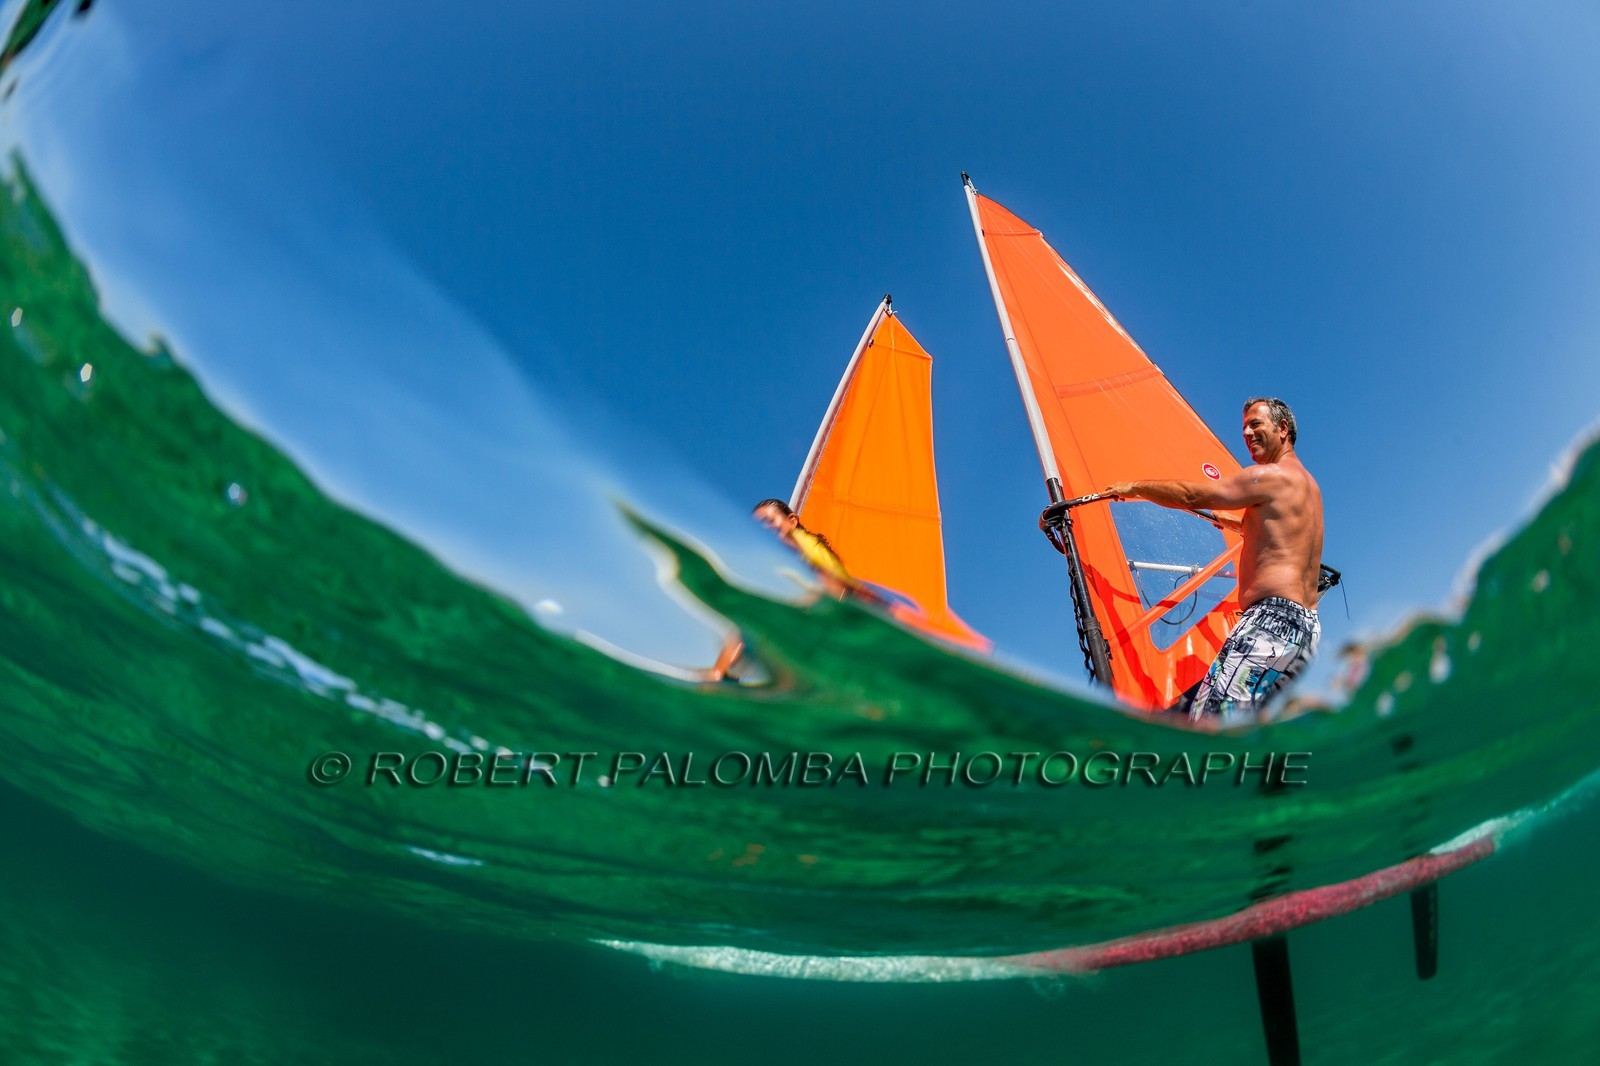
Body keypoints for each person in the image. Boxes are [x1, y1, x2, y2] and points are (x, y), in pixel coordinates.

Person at [1107, 398, 1324, 722]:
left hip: (1272, 622)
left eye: (1256, 424)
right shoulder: (1309, 488)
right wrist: (1237, 522)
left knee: (1210, 722)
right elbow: (1281, 534)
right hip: (1306, 631)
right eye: (1244, 428)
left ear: (1282, 429)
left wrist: (1134, 486)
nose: (1247, 433)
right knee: (1251, 731)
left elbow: (1192, 495)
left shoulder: (1270, 476)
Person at [701, 499, 862, 682]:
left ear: (792, 521)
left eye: (769, 522)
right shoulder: (786, 559)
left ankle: (718, 676)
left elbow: (838, 588)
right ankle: (724, 676)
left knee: (749, 622)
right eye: (759, 529)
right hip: (807, 629)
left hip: (827, 628)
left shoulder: (805, 543)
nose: (766, 531)